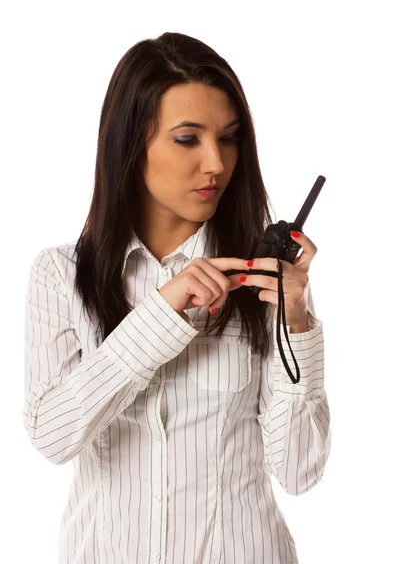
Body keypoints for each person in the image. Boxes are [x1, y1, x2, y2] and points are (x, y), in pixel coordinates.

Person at [23, 32, 331, 564]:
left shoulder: (264, 279)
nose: (216, 163)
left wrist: (297, 324)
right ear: (130, 144)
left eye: (229, 138)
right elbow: (53, 436)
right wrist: (162, 314)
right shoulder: (61, 275)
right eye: (187, 139)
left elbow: (300, 471)